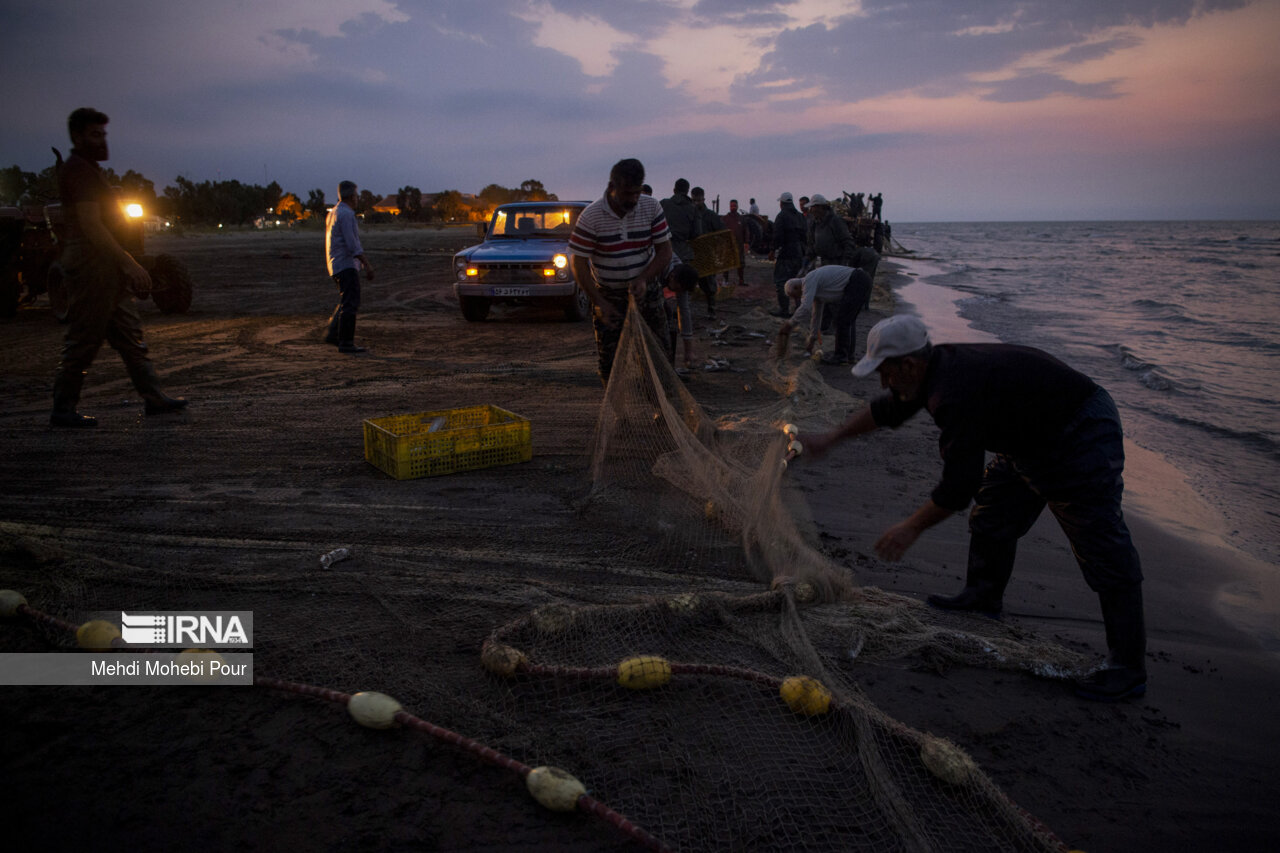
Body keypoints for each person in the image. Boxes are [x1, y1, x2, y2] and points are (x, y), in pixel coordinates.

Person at [802, 316, 1148, 701]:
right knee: (994, 510)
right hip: (1027, 437)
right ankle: (983, 596)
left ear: (909, 365)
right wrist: (830, 439)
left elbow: (957, 487)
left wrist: (910, 528)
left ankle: (1128, 668)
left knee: (1101, 544)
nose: (883, 383)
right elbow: (889, 411)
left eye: (884, 373)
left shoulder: (952, 392)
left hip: (1079, 430)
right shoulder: (929, 370)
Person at [49, 107, 186, 428]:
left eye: (103, 134)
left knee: (129, 337)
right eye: (95, 134)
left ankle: (154, 398)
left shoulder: (90, 169)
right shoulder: (79, 171)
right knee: (83, 341)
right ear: (77, 137)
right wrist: (129, 262)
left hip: (106, 270)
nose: (101, 140)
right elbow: (92, 227)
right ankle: (62, 408)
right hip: (91, 269)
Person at [569, 158, 672, 386]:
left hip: (647, 292)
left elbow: (665, 251)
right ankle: (617, 416)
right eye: (627, 194)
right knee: (612, 363)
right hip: (609, 296)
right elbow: (579, 265)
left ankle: (662, 411)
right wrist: (598, 302)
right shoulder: (591, 217)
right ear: (611, 187)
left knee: (659, 355)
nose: (633, 199)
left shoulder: (651, 207)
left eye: (637, 193)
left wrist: (644, 278)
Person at [777, 265, 871, 365]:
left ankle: (841, 356)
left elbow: (805, 308)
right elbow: (816, 315)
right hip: (861, 279)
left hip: (857, 280)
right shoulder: (815, 287)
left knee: (843, 321)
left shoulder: (809, 280)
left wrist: (790, 324)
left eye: (796, 296)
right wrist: (812, 339)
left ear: (796, 287)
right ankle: (848, 356)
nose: (798, 298)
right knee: (848, 321)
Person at [323, 180, 374, 353]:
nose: (358, 198)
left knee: (346, 300)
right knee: (350, 303)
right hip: (345, 264)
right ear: (352, 196)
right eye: (357, 195)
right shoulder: (346, 214)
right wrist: (367, 264)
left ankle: (333, 333)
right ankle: (345, 342)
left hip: (335, 264)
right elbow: (352, 245)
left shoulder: (334, 213)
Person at [768, 192, 806, 317]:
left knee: (781, 281)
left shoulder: (782, 216)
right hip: (799, 253)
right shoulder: (800, 216)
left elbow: (777, 236)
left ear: (782, 203)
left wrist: (773, 250)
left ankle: (784, 310)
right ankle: (799, 309)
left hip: (787, 253)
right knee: (797, 281)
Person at [661, 260, 701, 373]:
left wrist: (689, 351)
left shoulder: (681, 275)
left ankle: (668, 367)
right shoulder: (659, 268)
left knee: (670, 323)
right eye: (678, 289)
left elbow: (684, 311)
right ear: (672, 277)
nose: (678, 292)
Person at [690, 186, 722, 320]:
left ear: (704, 199)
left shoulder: (711, 216)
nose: (697, 203)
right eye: (694, 200)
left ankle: (712, 310)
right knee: (689, 283)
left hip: (708, 254)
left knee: (709, 285)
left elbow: (721, 234)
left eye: (699, 200)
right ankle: (687, 312)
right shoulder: (689, 213)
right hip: (692, 255)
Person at [805, 193, 856, 269]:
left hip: (837, 261)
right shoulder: (815, 223)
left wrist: (845, 262)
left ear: (820, 207)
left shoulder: (835, 221)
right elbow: (812, 244)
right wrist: (807, 259)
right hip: (824, 262)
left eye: (813, 207)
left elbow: (848, 242)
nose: (811, 210)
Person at [721, 199, 747, 287]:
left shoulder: (742, 219)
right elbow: (721, 232)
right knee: (726, 263)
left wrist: (746, 242)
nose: (733, 207)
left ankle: (741, 280)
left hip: (739, 245)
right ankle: (725, 280)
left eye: (735, 205)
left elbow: (746, 231)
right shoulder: (725, 219)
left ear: (737, 206)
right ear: (729, 206)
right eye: (732, 205)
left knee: (741, 263)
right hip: (728, 245)